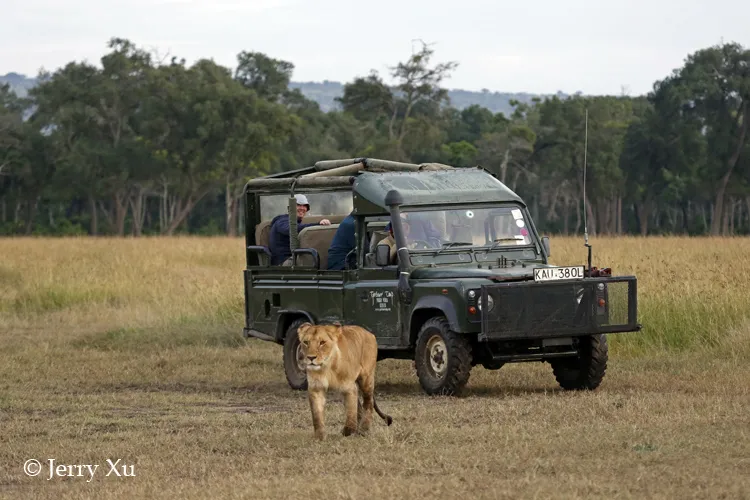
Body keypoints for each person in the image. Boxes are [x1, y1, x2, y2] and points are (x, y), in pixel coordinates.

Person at [268, 194, 331, 266]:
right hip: (283, 262)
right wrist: (319, 224)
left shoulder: (295, 222)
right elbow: (291, 229)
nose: (302, 208)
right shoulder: (282, 221)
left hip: (293, 258)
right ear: (290, 208)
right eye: (298, 205)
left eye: (304, 206)